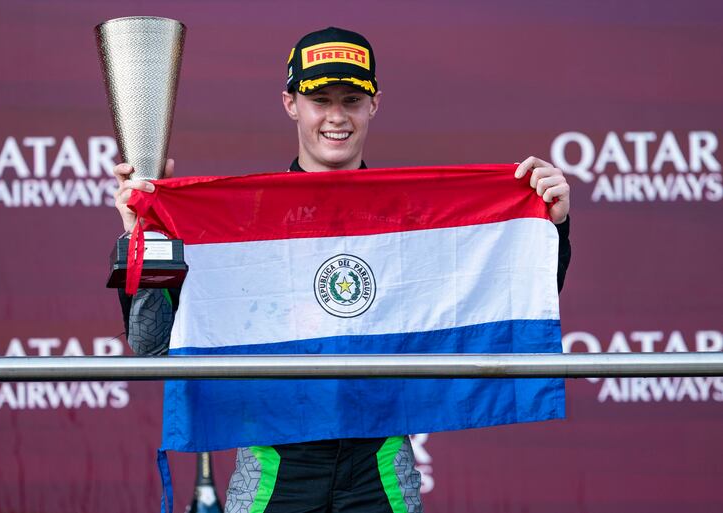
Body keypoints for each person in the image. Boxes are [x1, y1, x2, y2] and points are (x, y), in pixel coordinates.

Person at [113, 27, 571, 513]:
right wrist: (143, 235)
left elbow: (509, 301)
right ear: (291, 104)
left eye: (352, 99)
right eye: (320, 100)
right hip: (274, 474)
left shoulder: (411, 221)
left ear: (374, 105)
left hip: (380, 472)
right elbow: (152, 343)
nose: (336, 116)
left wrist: (551, 226)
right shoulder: (241, 221)